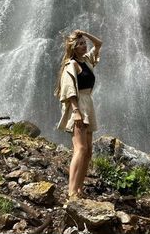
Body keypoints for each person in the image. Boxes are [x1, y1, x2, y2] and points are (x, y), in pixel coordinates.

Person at [54, 28, 102, 200]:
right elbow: (68, 90)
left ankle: (79, 189)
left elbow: (99, 44)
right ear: (73, 47)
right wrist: (76, 112)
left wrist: (85, 34)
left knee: (88, 152)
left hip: (88, 104)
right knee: (80, 149)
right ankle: (71, 191)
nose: (83, 46)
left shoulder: (87, 61)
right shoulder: (71, 65)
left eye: (84, 43)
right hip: (79, 105)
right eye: (79, 44)